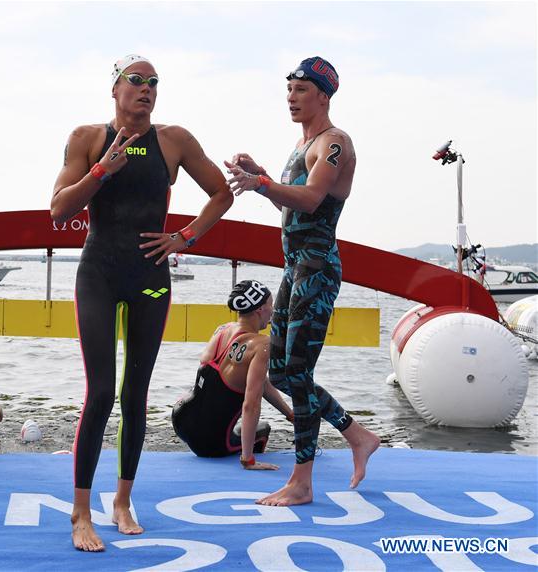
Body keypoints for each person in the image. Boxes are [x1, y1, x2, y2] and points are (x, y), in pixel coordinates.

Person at [50, 54, 234, 551]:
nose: (147, 89)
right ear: (115, 88)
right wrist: (100, 171)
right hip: (99, 273)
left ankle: (124, 502)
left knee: (136, 396)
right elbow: (59, 208)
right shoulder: (87, 138)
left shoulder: (174, 140)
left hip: (150, 274)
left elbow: (221, 193)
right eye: (136, 80)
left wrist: (186, 237)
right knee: (101, 393)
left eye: (154, 82)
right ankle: (80, 513)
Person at [225, 57, 380, 506]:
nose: (291, 97)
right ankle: (357, 435)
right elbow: (291, 209)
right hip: (294, 269)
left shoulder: (334, 144)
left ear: (324, 95)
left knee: (301, 373)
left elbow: (312, 200)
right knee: (282, 371)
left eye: (301, 90)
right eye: (288, 89)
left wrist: (261, 182)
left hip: (317, 269)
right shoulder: (302, 144)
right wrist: (264, 179)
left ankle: (303, 481)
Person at [171, 280, 294, 467]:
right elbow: (250, 406)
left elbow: (260, 384)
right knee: (263, 429)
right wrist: (248, 460)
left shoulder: (223, 329)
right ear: (260, 309)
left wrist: (290, 415)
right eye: (272, 306)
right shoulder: (262, 345)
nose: (273, 312)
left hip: (181, 418)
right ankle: (248, 459)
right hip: (211, 441)